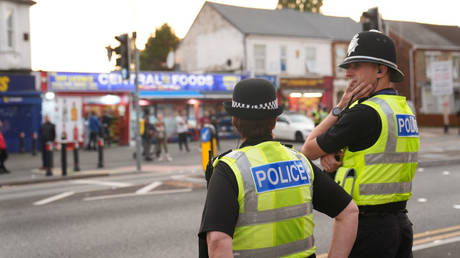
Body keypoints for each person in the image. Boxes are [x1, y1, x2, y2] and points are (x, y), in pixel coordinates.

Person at [199, 78, 358, 257]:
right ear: (275, 121)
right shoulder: (300, 162)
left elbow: (218, 239)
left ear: (235, 121)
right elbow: (349, 212)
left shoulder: (229, 169)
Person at [302, 30, 420, 258]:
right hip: (400, 225)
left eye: (356, 65)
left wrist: (342, 105)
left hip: (368, 228)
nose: (348, 74)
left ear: (380, 70)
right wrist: (340, 154)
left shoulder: (363, 113)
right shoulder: (403, 110)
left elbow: (308, 149)